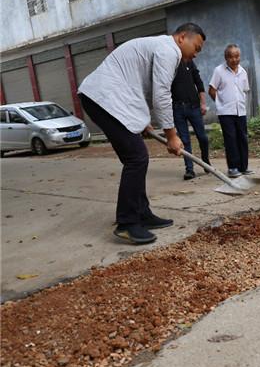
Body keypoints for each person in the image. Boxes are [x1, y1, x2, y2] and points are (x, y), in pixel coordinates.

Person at [78, 23, 206, 244]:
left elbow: (145, 87)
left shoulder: (161, 48)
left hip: (108, 99)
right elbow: (162, 94)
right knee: (136, 158)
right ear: (182, 37)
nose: (196, 53)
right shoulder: (169, 51)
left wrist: (143, 121)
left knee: (136, 157)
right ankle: (127, 223)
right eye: (196, 47)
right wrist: (171, 135)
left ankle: (142, 214)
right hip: (104, 99)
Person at [208, 44, 252, 178]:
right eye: (231, 57)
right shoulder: (219, 71)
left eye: (237, 56)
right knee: (231, 139)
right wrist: (221, 103)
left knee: (242, 138)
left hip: (240, 111)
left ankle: (243, 167)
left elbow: (244, 90)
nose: (234, 59)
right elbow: (212, 90)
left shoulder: (243, 72)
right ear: (226, 58)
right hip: (226, 112)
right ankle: (232, 167)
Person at [171, 59, 209, 180]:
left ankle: (205, 161)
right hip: (177, 108)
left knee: (202, 137)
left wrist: (203, 103)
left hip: (194, 107)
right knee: (185, 140)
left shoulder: (188, 61)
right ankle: (190, 170)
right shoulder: (168, 64)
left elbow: (199, 83)